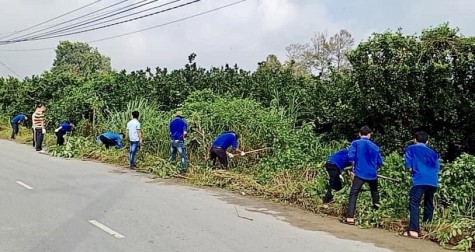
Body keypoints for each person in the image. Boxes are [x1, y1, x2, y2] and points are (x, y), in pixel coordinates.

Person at [401, 131, 440, 239]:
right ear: (427, 141)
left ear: (415, 140)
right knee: (428, 203)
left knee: (414, 203)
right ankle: (427, 227)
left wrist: (412, 172)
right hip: (433, 181)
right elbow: (437, 168)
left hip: (420, 180)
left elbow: (409, 166)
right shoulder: (433, 152)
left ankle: (414, 230)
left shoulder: (411, 148)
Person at [343, 126, 383, 225]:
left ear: (360, 134)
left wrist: (353, 169)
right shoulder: (375, 146)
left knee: (353, 194)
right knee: (374, 193)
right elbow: (379, 162)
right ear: (369, 134)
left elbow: (351, 157)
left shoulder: (355, 143)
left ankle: (350, 217)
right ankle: (376, 215)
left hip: (360, 173)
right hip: (372, 174)